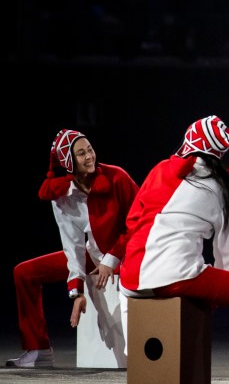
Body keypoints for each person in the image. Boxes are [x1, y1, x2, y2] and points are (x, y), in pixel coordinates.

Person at [119, 116, 229, 384]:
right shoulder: (225, 191)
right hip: (177, 276)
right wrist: (213, 301)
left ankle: (147, 375)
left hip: (129, 278)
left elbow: (132, 221)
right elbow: (226, 257)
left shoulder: (160, 168)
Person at [8, 129, 139, 369]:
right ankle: (39, 349)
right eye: (81, 153)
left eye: (89, 149)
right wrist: (76, 291)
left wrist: (112, 259)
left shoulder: (117, 177)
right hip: (94, 255)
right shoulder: (63, 195)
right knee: (24, 273)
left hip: (128, 254)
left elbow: (140, 223)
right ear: (69, 162)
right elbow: (72, 245)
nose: (89, 156)